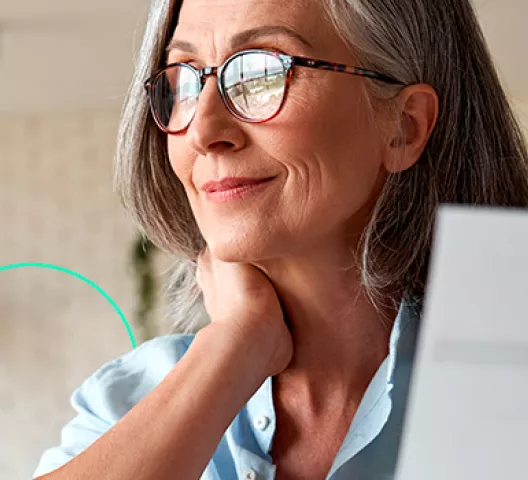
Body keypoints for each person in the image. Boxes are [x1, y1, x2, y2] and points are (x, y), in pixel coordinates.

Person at [33, 0, 528, 479]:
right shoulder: (125, 401)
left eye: (262, 72)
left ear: (404, 126)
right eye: (184, 78)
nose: (204, 130)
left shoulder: (511, 371)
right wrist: (237, 344)